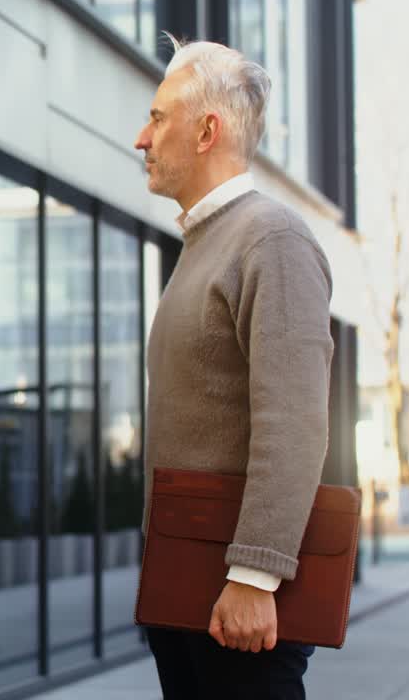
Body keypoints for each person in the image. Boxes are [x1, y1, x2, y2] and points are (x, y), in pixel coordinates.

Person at [133, 38, 334, 699]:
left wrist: (254, 575)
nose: (142, 137)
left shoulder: (270, 238)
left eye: (158, 118)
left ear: (206, 130)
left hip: (238, 608)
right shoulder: (203, 244)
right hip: (188, 589)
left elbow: (294, 421)